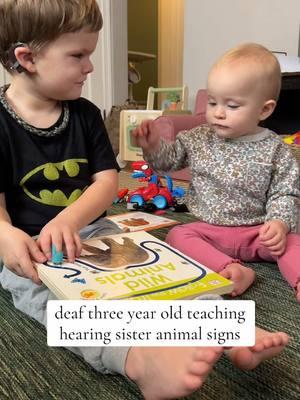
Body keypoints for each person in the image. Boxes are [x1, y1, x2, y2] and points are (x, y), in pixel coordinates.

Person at [0, 3, 290, 398]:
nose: (90, 67)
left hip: (97, 229)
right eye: (78, 55)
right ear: (27, 58)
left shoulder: (84, 114)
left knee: (162, 271)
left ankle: (227, 329)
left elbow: (105, 183)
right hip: (30, 249)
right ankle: (137, 358)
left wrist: (69, 220)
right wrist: (6, 235)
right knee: (63, 307)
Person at [133, 42, 300, 306]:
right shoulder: (198, 137)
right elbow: (168, 162)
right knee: (177, 235)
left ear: (264, 109)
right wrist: (153, 146)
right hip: (209, 232)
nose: (218, 113)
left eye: (232, 106)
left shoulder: (275, 149)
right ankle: (231, 270)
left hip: (259, 233)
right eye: (212, 102)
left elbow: (286, 192)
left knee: (293, 242)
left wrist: (279, 224)